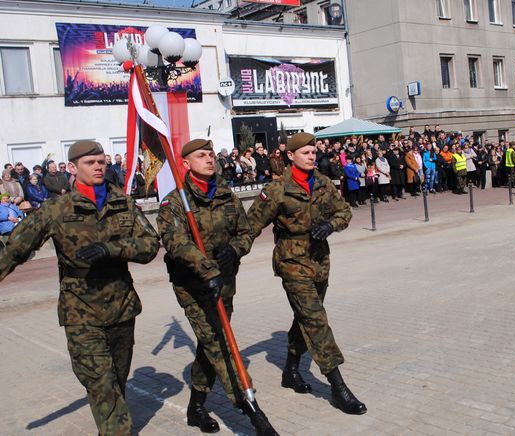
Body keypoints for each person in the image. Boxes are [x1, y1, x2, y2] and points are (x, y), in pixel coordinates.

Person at [0, 140, 160, 434]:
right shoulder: (57, 208)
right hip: (80, 312)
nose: (98, 166)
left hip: (121, 306)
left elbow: (150, 245)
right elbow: (14, 250)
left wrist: (112, 249)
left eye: (101, 161)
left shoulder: (122, 202)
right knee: (101, 384)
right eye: (90, 162)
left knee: (116, 384)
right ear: (73, 168)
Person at [156, 139, 277, 435]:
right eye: (201, 155)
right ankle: (252, 411)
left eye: (211, 154)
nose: (209, 159)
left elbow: (245, 232)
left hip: (224, 283)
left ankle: (196, 406)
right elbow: (176, 244)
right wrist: (206, 267)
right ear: (185, 163)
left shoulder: (226, 195)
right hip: (194, 286)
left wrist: (235, 249)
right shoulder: (175, 202)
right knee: (219, 343)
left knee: (210, 343)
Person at [246, 132, 367, 416]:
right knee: (315, 319)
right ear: (290, 156)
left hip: (319, 261)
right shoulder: (277, 190)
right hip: (292, 261)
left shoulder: (323, 183)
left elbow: (344, 212)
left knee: (305, 319)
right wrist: (229, 257)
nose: (312, 156)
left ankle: (290, 370)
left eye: (314, 151)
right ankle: (338, 388)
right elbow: (250, 226)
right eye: (306, 153)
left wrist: (331, 225)